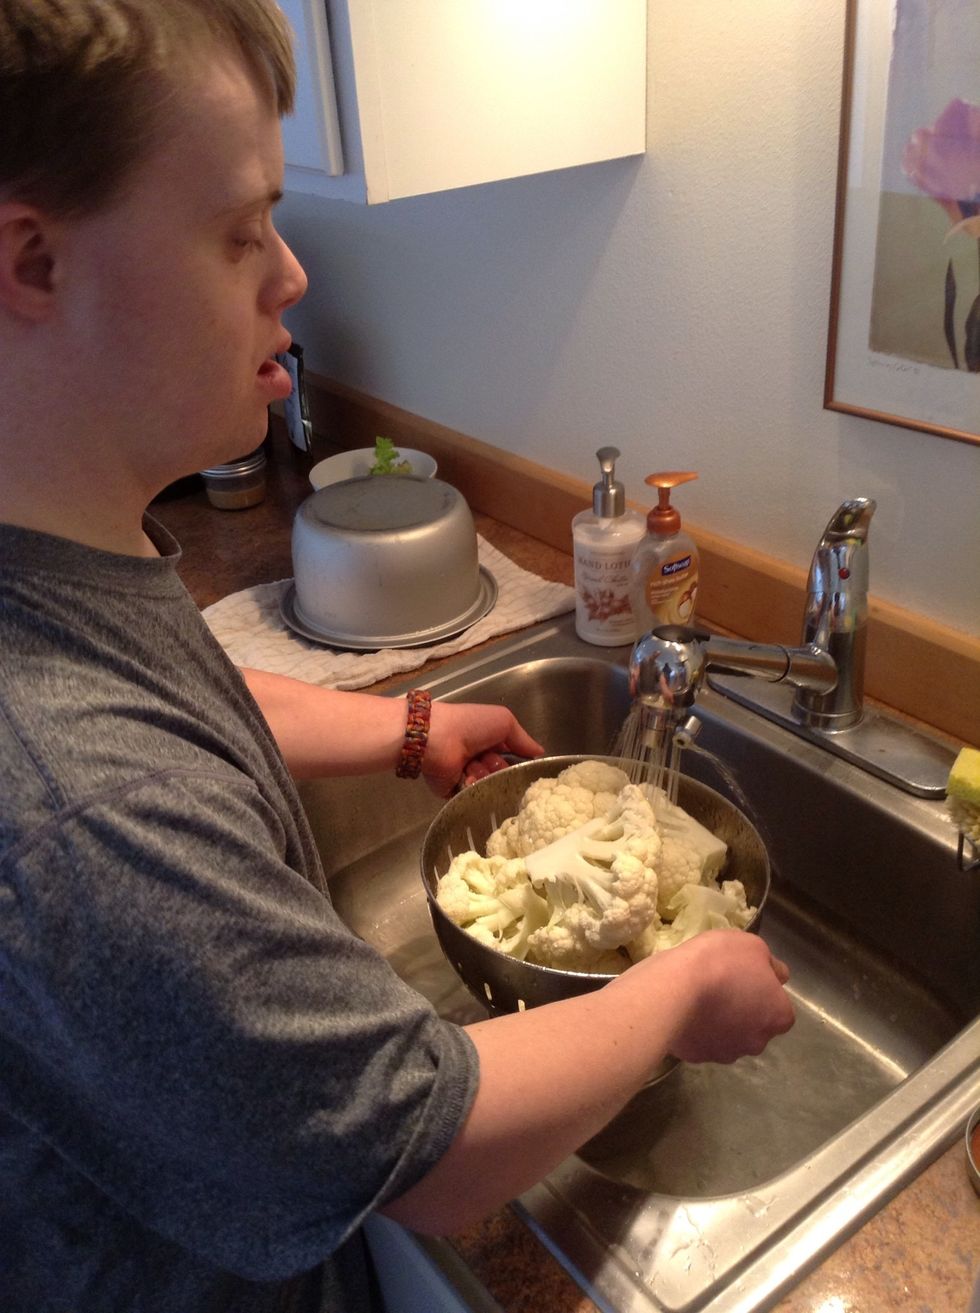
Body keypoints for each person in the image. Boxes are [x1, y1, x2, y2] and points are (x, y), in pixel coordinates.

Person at [0, 3, 795, 1310]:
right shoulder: (75, 792)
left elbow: (172, 697)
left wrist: (400, 728)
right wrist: (678, 988)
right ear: (34, 260)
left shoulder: (59, 559)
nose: (292, 276)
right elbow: (424, 1145)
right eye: (240, 229)